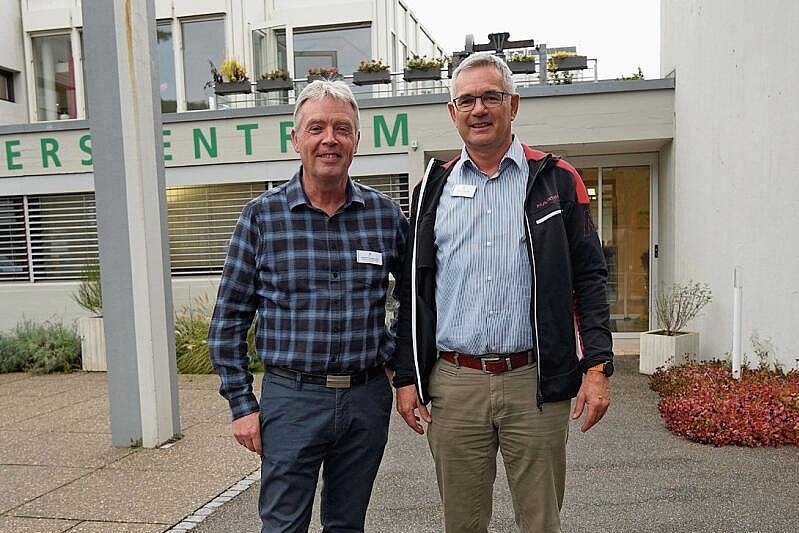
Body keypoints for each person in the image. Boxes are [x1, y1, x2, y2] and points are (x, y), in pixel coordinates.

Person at [393, 53, 614, 533]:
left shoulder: (556, 180)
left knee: (540, 522)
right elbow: (414, 292)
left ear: (513, 105)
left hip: (532, 380)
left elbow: (590, 278)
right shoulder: (433, 188)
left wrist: (597, 367)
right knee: (463, 524)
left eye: (491, 97)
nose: (479, 109)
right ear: (452, 113)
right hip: (455, 384)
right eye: (467, 100)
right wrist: (407, 376)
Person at [209, 80, 408, 533]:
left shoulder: (385, 216)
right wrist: (241, 405)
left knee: (346, 525)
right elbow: (228, 320)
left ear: (357, 140)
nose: (329, 139)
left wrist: (395, 356)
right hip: (291, 399)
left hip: (364, 400)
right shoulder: (261, 217)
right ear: (294, 139)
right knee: (283, 526)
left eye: (342, 128)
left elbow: (413, 297)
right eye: (316, 127)